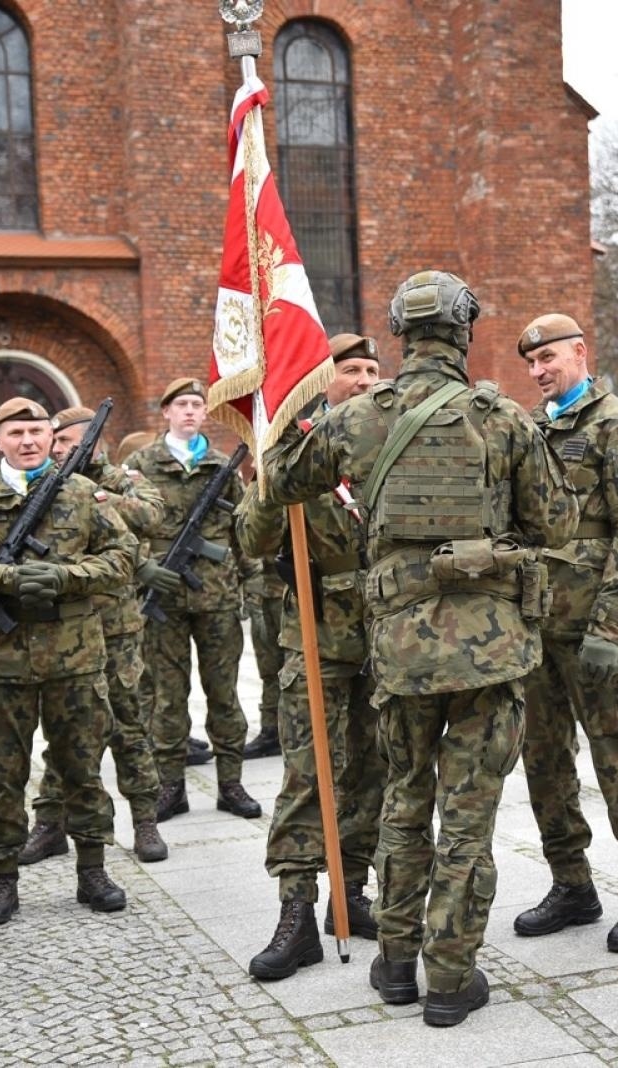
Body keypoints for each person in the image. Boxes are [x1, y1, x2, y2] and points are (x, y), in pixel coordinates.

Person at [263, 271, 577, 1027]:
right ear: (465, 332)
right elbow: (558, 527)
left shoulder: (359, 419)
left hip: (398, 650)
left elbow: (278, 482)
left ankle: (397, 964)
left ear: (402, 334)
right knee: (467, 817)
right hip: (490, 651)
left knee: (406, 803)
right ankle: (450, 977)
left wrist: (284, 413)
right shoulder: (501, 419)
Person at [0, 398, 136, 926]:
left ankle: (93, 869)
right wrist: (1, 579)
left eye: (38, 432)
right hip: (0, 665)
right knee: (1, 776)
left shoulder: (83, 493)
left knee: (83, 770)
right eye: (16, 432)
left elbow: (123, 556)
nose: (28, 441)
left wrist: (68, 577)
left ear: (51, 437)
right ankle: (1, 880)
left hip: (76, 657)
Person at [512, 313, 618, 954]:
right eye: (531, 363)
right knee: (545, 765)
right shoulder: (531, 430)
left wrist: (611, 624)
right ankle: (573, 884)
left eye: (548, 358)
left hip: (597, 634)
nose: (538, 371)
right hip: (539, 633)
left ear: (580, 352)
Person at [240, 333, 387, 981]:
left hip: (386, 642)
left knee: (373, 773)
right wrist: (279, 478)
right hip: (318, 639)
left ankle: (349, 896)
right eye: (348, 370)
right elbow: (251, 538)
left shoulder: (391, 445)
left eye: (371, 369)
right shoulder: (295, 453)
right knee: (310, 776)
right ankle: (296, 913)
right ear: (316, 383)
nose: (362, 379)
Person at [19, 406, 169, 865]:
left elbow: (150, 514)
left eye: (67, 442)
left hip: (116, 625)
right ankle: (48, 824)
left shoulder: (119, 480)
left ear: (93, 443)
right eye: (56, 442)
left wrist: (94, 496)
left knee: (128, 724)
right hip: (65, 628)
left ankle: (145, 821)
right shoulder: (41, 485)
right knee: (66, 729)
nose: (58, 449)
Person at [125, 379, 262, 821]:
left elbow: (243, 531)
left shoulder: (222, 466)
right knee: (167, 697)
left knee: (224, 695)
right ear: (165, 411)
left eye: (196, 405)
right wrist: (143, 567)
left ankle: (231, 784)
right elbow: (120, 529)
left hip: (217, 596)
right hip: (161, 598)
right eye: (180, 404)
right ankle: (170, 787)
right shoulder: (141, 465)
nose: (189, 411)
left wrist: (251, 583)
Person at [241, 562, 286, 760]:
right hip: (259, 593)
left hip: (289, 591)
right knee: (268, 669)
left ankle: (298, 728)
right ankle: (271, 731)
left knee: (297, 668)